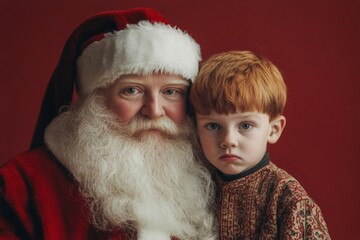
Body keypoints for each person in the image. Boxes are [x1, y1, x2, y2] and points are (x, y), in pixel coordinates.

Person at [0, 8, 217, 240]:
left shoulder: (215, 176)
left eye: (171, 91)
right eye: (131, 90)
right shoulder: (19, 185)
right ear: (93, 101)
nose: (154, 111)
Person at [189, 50, 331, 239]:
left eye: (246, 125)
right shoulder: (191, 188)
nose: (228, 140)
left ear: (273, 129)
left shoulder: (290, 201)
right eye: (213, 126)